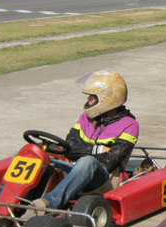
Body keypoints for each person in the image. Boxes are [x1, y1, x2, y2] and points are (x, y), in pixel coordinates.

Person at [32, 71, 138, 210]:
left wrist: (81, 151)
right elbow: (69, 147)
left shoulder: (129, 125)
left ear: (108, 98)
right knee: (33, 154)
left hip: (105, 180)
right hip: (74, 169)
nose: (89, 101)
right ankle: (7, 204)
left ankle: (49, 203)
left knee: (87, 162)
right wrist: (99, 149)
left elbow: (109, 161)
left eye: (93, 98)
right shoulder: (85, 118)